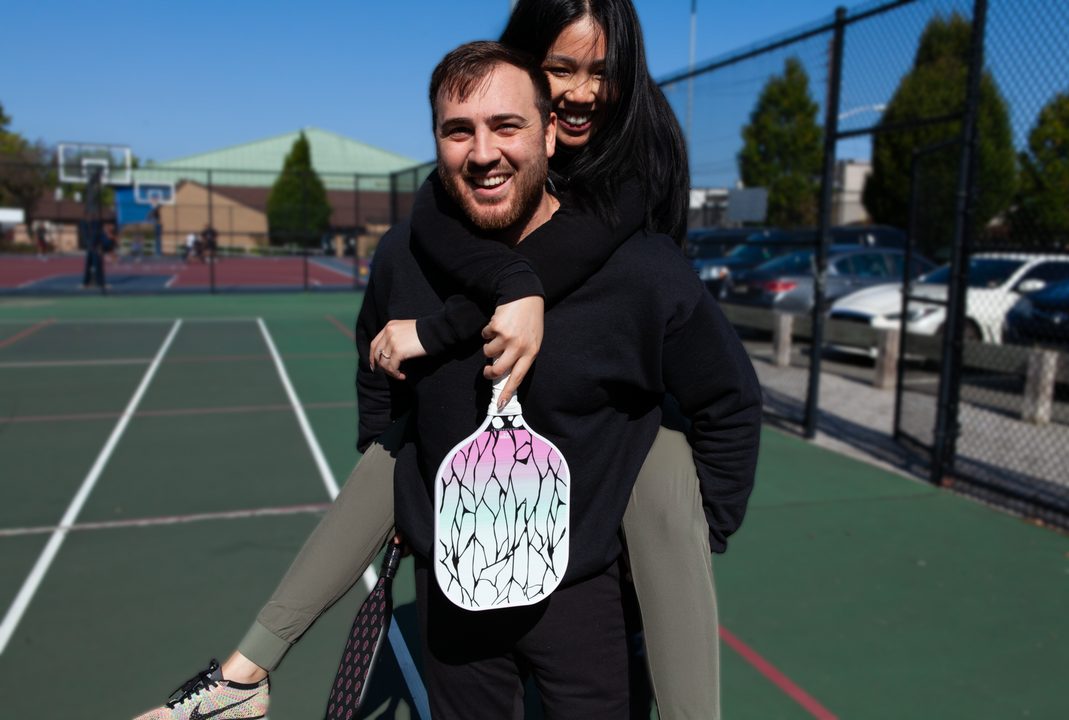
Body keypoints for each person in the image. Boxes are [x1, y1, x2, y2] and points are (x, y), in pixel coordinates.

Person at [133, 2, 747, 718]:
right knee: (400, 451)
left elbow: (609, 261)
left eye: (600, 73)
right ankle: (245, 674)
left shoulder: (643, 166)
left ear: (547, 124)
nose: (582, 91)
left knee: (665, 488)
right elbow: (430, 230)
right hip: (468, 571)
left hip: (615, 473)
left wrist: (495, 301)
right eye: (561, 69)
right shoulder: (438, 210)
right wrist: (496, 294)